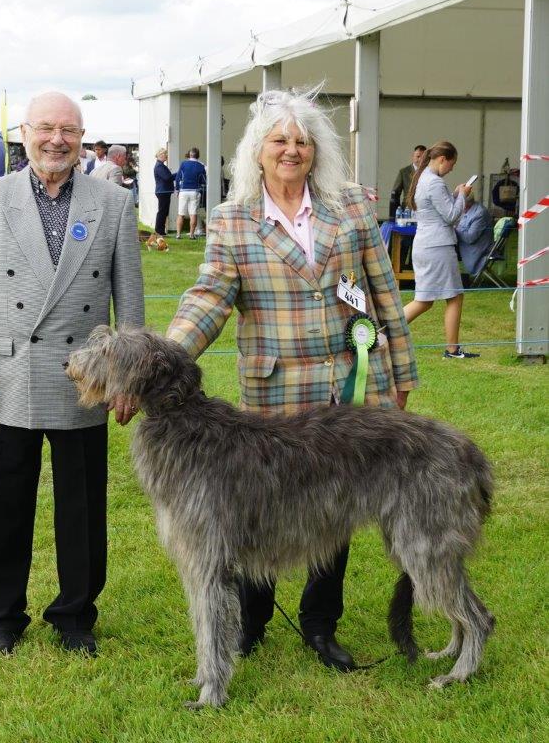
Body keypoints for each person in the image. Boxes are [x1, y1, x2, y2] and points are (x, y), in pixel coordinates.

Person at [166, 87, 418, 671]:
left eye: (302, 141)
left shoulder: (351, 206)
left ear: (316, 151)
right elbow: (210, 297)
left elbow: (384, 293)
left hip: (351, 385)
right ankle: (252, 621)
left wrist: (400, 375)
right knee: (260, 508)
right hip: (276, 391)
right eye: (279, 140)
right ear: (257, 151)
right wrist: (168, 355)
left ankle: (320, 624)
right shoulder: (233, 220)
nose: (291, 150)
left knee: (337, 509)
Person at [0, 91, 144, 656]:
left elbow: (127, 305)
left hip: (84, 378)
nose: (57, 140)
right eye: (46, 129)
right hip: (9, 374)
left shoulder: (112, 203)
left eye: (70, 130)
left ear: (83, 138)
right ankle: (1, 619)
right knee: (1, 503)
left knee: (83, 508)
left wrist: (126, 378)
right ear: (26, 135)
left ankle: (75, 616)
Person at [403, 141, 479, 359]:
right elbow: (451, 216)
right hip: (438, 246)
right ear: (442, 159)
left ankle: (384, 331)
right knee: (454, 296)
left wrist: (455, 195)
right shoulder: (435, 183)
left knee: (425, 300)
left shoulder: (423, 178)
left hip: (426, 244)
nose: (452, 169)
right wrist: (463, 195)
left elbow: (441, 209)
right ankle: (452, 349)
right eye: (452, 164)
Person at [456, 193, 494, 277]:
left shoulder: (479, 213)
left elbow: (470, 238)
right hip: (467, 246)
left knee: (444, 248)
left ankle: (447, 277)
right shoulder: (469, 210)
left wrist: (455, 229)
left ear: (465, 204)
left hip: (478, 249)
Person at [175, 146, 206, 239]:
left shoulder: (183, 164)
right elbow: (203, 181)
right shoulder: (201, 166)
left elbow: (177, 178)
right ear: (198, 156)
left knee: (181, 213)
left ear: (189, 155)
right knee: (193, 214)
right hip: (195, 192)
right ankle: (192, 235)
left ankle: (178, 234)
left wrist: (177, 190)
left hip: (183, 191)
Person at [389, 145, 426, 219]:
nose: (420, 160)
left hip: (425, 213)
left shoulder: (430, 172)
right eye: (418, 156)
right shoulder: (404, 172)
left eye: (423, 158)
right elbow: (395, 194)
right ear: (413, 157)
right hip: (407, 212)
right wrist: (396, 215)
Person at [153, 148, 175, 236]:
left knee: (164, 211)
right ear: (161, 155)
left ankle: (161, 231)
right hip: (163, 191)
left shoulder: (161, 165)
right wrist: (178, 174)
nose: (166, 156)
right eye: (165, 154)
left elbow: (168, 177)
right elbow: (167, 178)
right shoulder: (159, 166)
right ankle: (159, 231)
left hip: (164, 191)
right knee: (162, 212)